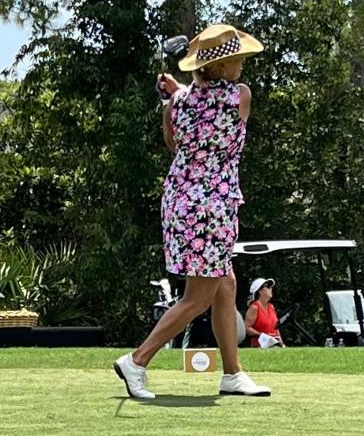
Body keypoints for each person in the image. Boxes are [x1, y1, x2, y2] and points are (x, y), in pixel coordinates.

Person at [113, 23, 271, 399]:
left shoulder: (177, 103)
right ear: (222, 65)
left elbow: (173, 143)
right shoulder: (241, 96)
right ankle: (136, 361)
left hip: (181, 202)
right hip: (211, 206)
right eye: (238, 59)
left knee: (225, 284)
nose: (243, 65)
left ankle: (232, 373)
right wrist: (180, 92)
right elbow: (221, 107)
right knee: (197, 296)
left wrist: (173, 96)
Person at [245, 277, 284, 348]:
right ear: (260, 291)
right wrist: (262, 335)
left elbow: (276, 328)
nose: (271, 289)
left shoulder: (271, 307)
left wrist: (282, 344)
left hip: (275, 346)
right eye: (268, 286)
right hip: (260, 346)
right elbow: (247, 328)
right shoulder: (254, 307)